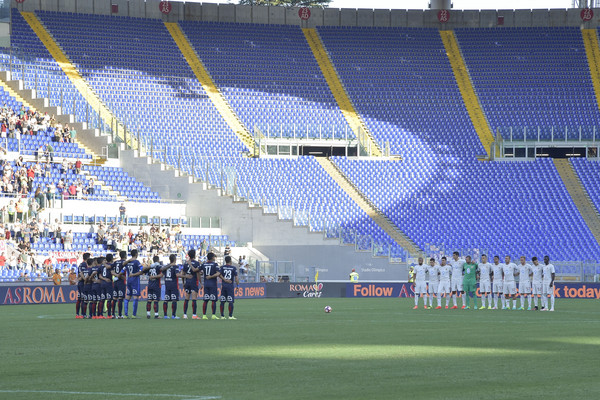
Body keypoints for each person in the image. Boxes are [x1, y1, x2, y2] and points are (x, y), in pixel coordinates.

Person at [123, 249, 144, 319]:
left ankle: (125, 314)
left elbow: (122, 270)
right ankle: (134, 315)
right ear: (136, 254)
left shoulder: (128, 262)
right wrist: (137, 273)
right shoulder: (136, 262)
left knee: (128, 296)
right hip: (135, 281)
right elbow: (142, 269)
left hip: (128, 280)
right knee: (135, 297)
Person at [161, 254, 182, 319]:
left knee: (166, 300)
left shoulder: (166, 266)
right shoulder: (175, 267)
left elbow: (161, 271)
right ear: (175, 259)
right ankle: (173, 315)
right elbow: (177, 275)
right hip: (173, 285)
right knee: (174, 300)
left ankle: (165, 315)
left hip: (167, 284)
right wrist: (186, 276)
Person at [182, 249, 201, 320]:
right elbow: (198, 274)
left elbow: (183, 274)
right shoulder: (196, 263)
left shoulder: (186, 263)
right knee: (194, 299)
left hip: (187, 282)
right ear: (194, 255)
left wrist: (184, 283)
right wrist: (201, 283)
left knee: (186, 298)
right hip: (193, 282)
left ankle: (185, 314)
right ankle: (194, 315)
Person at [200, 252, 220, 319]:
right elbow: (218, 273)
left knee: (205, 300)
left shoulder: (204, 264)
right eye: (214, 257)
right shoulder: (215, 264)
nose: (215, 258)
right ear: (212, 257)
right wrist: (211, 276)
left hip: (206, 284)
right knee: (213, 300)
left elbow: (198, 270)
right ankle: (213, 315)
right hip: (213, 284)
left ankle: (204, 315)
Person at [219, 255, 239, 320]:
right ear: (230, 261)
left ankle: (222, 316)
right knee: (230, 301)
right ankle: (230, 316)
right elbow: (236, 277)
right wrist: (237, 285)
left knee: (222, 301)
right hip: (230, 286)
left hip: (224, 286)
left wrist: (224, 279)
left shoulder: (222, 267)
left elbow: (219, 274)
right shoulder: (233, 268)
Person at [111, 251, 127, 319]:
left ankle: (113, 314)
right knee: (120, 298)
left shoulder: (116, 262)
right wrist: (120, 276)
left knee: (114, 298)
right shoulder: (125, 263)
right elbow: (124, 271)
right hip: (121, 282)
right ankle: (120, 315)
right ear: (125, 256)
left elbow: (111, 270)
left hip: (115, 281)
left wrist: (116, 276)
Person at [75, 253, 91, 319]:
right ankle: (82, 314)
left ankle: (78, 314)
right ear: (88, 258)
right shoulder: (84, 264)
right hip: (83, 283)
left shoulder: (81, 265)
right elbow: (82, 273)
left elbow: (79, 274)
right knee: (84, 299)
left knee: (80, 299)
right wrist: (84, 279)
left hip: (80, 283)